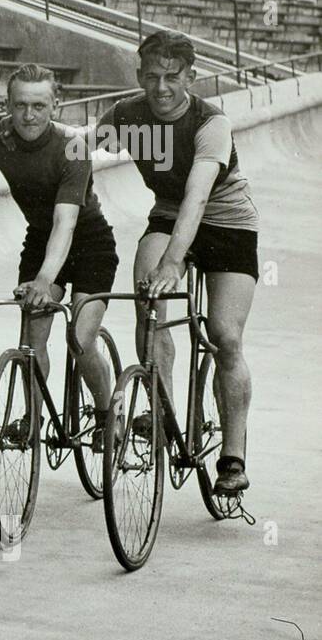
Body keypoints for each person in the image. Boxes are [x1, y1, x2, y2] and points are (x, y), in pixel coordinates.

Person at [93, 30, 258, 498]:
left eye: (172, 77)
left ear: (191, 75)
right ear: (138, 75)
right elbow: (76, 148)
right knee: (148, 306)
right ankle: (162, 410)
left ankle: (233, 456)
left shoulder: (211, 122)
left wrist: (173, 263)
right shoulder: (126, 115)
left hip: (226, 220)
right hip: (168, 213)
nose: (161, 88)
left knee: (225, 335)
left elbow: (198, 196)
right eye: (151, 77)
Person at [0, 64, 119, 452]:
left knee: (81, 340)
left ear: (55, 105)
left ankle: (106, 414)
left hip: (90, 242)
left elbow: (66, 222)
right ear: (7, 106)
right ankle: (34, 417)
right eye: (20, 106)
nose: (29, 115)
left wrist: (46, 281)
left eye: (39, 106)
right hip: (40, 241)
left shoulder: (73, 146)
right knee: (33, 343)